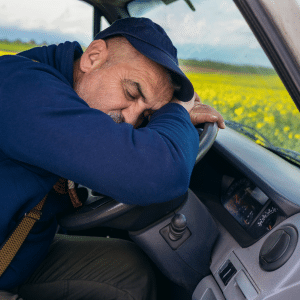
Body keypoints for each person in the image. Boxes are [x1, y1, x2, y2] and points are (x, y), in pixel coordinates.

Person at [0, 17, 224, 300]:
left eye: (146, 116)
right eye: (131, 92)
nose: (130, 121)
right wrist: (178, 110)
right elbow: (159, 172)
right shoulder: (21, 88)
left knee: (130, 271)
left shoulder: (67, 96)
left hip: (20, 253)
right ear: (93, 58)